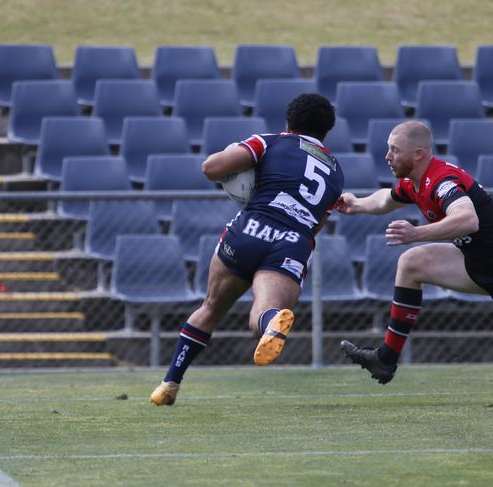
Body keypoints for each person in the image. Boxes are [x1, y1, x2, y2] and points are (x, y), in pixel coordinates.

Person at [150, 93, 343, 405]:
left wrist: (240, 175)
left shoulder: (271, 141)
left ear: (289, 123)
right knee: (263, 313)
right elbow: (317, 225)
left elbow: (211, 168)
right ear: (326, 132)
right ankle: (271, 324)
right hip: (292, 242)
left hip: (251, 229)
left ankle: (169, 383)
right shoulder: (336, 171)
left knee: (211, 307)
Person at [336, 120, 493, 384]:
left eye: (394, 150)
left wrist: (416, 234)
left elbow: (468, 220)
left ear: (418, 153)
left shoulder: (441, 181)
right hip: (477, 263)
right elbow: (385, 199)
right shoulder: (413, 183)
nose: (387, 157)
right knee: (412, 263)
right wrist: (357, 205)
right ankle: (385, 359)